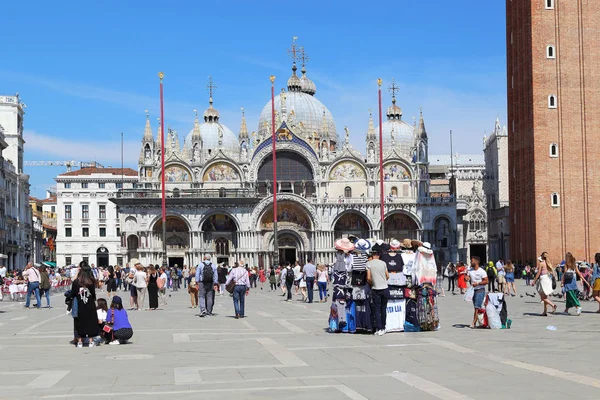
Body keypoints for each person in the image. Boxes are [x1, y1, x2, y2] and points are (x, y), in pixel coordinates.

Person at [69, 262, 99, 348]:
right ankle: (90, 341)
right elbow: (93, 293)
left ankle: (79, 342)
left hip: (79, 303)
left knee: (79, 322)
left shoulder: (76, 282)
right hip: (89, 303)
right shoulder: (91, 281)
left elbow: (73, 293)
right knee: (90, 321)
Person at [366, 248, 389, 336]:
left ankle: (378, 328)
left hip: (376, 289)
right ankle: (383, 327)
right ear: (379, 255)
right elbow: (387, 276)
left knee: (377, 309)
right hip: (385, 288)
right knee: (383, 309)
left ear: (372, 255)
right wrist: (383, 280)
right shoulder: (383, 263)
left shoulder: (369, 264)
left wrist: (372, 283)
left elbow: (368, 278)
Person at [465, 256, 488, 329]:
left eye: (472, 261)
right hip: (472, 291)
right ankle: (482, 321)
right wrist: (466, 278)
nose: (471, 262)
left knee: (476, 307)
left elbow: (486, 281)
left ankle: (473, 323)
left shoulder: (482, 271)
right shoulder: (470, 270)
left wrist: (477, 283)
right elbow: (467, 278)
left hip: (480, 290)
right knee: (476, 306)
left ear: (476, 262)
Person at [532, 252, 557, 316]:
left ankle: (553, 305)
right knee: (545, 296)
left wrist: (534, 281)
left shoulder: (541, 263)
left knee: (542, 297)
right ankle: (545, 312)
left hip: (543, 279)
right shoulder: (548, 263)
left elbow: (538, 273)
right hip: (547, 279)